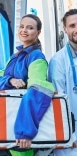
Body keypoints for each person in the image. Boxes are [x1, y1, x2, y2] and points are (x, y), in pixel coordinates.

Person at [0, 14, 55, 155]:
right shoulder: (15, 56)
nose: (24, 30)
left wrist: (25, 132)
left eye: (30, 28)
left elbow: (38, 92)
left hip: (24, 124)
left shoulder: (36, 57)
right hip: (12, 119)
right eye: (22, 26)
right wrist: (10, 81)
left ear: (38, 33)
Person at [48, 8, 77, 156]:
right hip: (71, 139)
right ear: (65, 29)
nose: (76, 29)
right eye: (72, 26)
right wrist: (70, 137)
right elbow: (58, 103)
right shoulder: (58, 61)